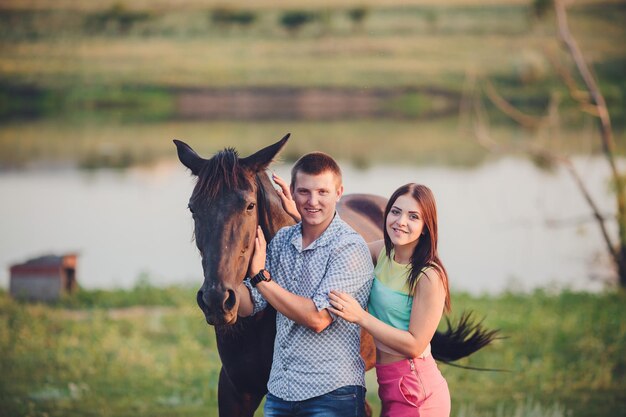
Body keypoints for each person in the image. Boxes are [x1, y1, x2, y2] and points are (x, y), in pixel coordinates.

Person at [275, 179, 451, 417]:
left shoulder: (429, 275)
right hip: (390, 385)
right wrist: (301, 215)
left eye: (413, 217)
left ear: (426, 226)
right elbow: (338, 246)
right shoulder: (383, 253)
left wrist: (360, 317)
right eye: (396, 212)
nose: (400, 222)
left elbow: (415, 344)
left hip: (416, 390)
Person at [235, 152, 373, 417]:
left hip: (332, 395)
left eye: (323, 191)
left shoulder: (349, 247)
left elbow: (318, 318)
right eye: (304, 192)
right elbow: (250, 303)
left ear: (339, 192)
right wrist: (224, 278)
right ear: (292, 193)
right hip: (280, 394)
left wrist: (261, 278)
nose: (312, 201)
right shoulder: (283, 240)